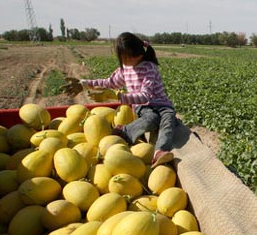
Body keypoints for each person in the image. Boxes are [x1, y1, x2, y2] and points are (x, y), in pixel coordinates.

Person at [61, 32, 177, 168]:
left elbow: (146, 95)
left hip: (161, 104)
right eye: (123, 58)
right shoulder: (125, 69)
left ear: (138, 53)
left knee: (168, 120)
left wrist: (118, 96)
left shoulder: (149, 68)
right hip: (143, 107)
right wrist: (85, 84)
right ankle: (125, 132)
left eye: (128, 57)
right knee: (151, 119)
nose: (126, 61)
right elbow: (109, 83)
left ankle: (160, 151)